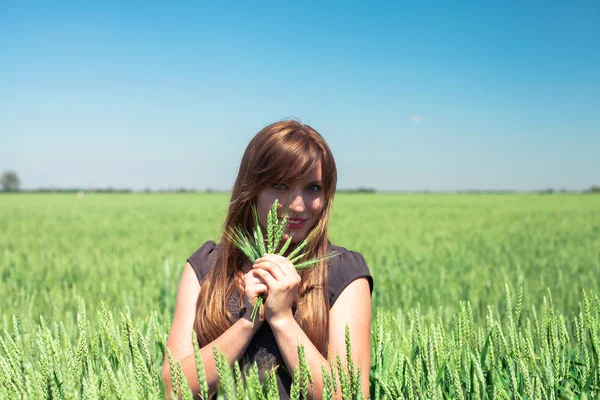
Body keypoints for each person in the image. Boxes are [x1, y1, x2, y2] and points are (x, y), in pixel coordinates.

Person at [162, 119, 374, 399]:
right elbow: (171, 389)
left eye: (313, 188)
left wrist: (283, 319)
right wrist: (247, 321)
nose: (298, 205)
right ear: (252, 189)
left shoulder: (343, 273)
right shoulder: (206, 267)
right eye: (280, 185)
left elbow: (350, 395)